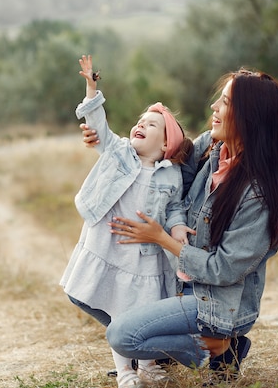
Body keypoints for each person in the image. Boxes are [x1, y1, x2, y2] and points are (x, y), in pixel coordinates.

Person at [81, 68, 278, 382]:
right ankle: (160, 351)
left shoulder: (257, 194)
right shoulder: (211, 148)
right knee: (91, 292)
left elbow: (223, 270)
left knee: (124, 336)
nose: (213, 109)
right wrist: (110, 145)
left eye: (225, 103)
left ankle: (220, 348)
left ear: (250, 116)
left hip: (216, 304)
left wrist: (163, 238)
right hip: (179, 282)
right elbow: (165, 160)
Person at [60, 55, 193, 388]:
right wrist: (92, 88)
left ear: (166, 144)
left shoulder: (171, 174)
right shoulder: (119, 151)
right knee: (118, 308)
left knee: (142, 309)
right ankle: (124, 372)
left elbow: (175, 207)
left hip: (146, 258)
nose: (141, 125)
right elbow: (98, 125)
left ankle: (148, 366)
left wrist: (177, 231)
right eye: (140, 120)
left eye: (151, 125)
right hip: (110, 247)